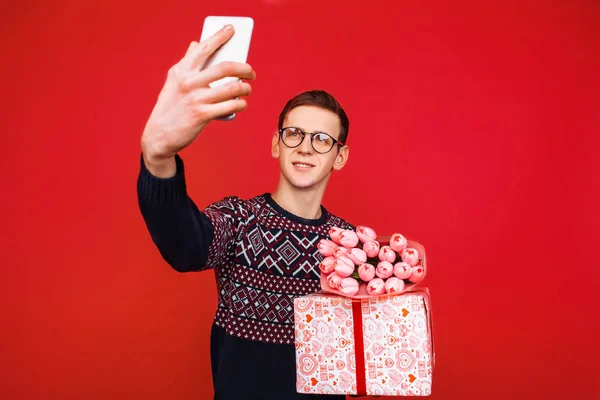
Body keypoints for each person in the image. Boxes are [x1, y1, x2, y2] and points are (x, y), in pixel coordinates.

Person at [137, 24, 354, 400]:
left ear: (340, 156)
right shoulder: (239, 220)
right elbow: (185, 246)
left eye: (322, 140)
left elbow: (360, 358)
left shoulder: (348, 245)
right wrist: (158, 158)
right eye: (294, 134)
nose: (305, 148)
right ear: (276, 144)